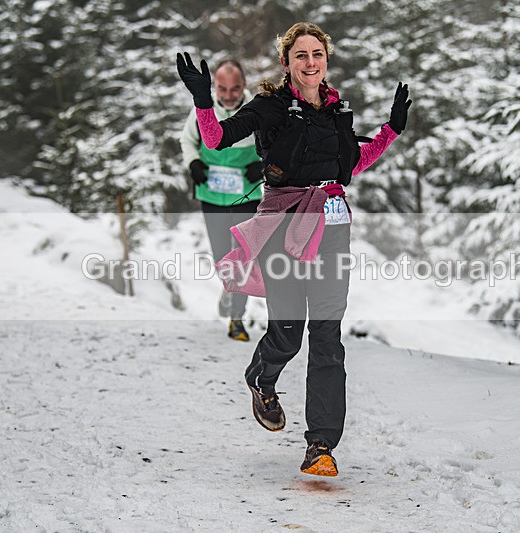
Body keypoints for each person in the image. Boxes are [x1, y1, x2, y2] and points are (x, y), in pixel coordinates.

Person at [176, 22, 411, 477]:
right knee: (288, 330)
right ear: (286, 62)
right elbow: (216, 139)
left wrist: (391, 131)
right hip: (284, 226)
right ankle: (261, 377)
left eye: (317, 54)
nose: (310, 62)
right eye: (300, 55)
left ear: (326, 60)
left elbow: (351, 164)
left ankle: (320, 444)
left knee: (327, 335)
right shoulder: (270, 106)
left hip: (332, 226)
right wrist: (204, 101)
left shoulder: (338, 111)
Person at [180, 59, 263, 342]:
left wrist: (263, 165)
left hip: (247, 195)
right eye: (223, 89)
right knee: (221, 258)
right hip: (212, 196)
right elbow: (188, 141)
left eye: (235, 88)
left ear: (244, 86)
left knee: (242, 259)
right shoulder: (202, 112)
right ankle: (228, 289)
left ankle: (236, 319)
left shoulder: (258, 111)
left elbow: (276, 146)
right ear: (215, 87)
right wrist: (193, 163)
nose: (229, 95)